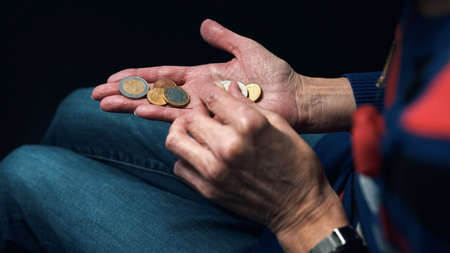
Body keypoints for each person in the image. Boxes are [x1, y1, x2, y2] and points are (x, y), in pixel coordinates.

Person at [1, 0, 449, 252]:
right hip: (345, 174)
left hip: (322, 235)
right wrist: (312, 96)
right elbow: (419, 79)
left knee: (23, 176)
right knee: (80, 111)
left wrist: (302, 214)